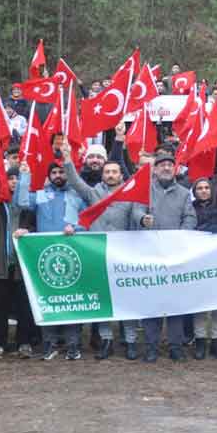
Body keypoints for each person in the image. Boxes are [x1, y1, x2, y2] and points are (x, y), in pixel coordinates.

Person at [62, 142, 136, 360]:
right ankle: (106, 341)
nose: (111, 175)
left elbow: (138, 213)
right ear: (102, 175)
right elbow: (75, 182)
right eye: (107, 172)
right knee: (103, 298)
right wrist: (67, 159)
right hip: (99, 254)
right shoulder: (93, 193)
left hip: (123, 255)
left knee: (127, 300)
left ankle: (131, 341)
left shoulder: (129, 193)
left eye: (114, 172)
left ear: (121, 175)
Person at [17, 160, 88, 360]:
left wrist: (76, 228)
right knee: (47, 299)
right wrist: (25, 177)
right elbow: (21, 203)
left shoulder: (77, 196)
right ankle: (49, 344)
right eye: (54, 172)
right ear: (49, 176)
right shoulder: (40, 195)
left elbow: (88, 220)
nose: (58, 175)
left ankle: (73, 345)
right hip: (46, 256)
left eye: (61, 172)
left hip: (72, 255)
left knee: (71, 300)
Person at [131, 153, 197, 362]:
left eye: (170, 165)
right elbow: (136, 210)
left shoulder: (184, 193)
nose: (166, 168)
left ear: (175, 169)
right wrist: (143, 218)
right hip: (150, 254)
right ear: (155, 169)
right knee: (151, 302)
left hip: (175, 254)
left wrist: (181, 236)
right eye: (162, 165)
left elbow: (190, 217)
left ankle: (175, 346)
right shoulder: (144, 189)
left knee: (175, 302)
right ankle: (151, 346)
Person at [0, 168, 38, 360]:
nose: (14, 182)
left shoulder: (28, 206)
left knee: (24, 306)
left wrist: (28, 231)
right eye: (10, 178)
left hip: (23, 265)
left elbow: (36, 228)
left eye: (17, 178)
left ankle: (24, 343)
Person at [190, 176, 217, 360]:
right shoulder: (190, 209)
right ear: (194, 192)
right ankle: (200, 339)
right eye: (199, 188)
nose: (203, 191)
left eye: (206, 187)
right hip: (198, 262)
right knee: (199, 301)